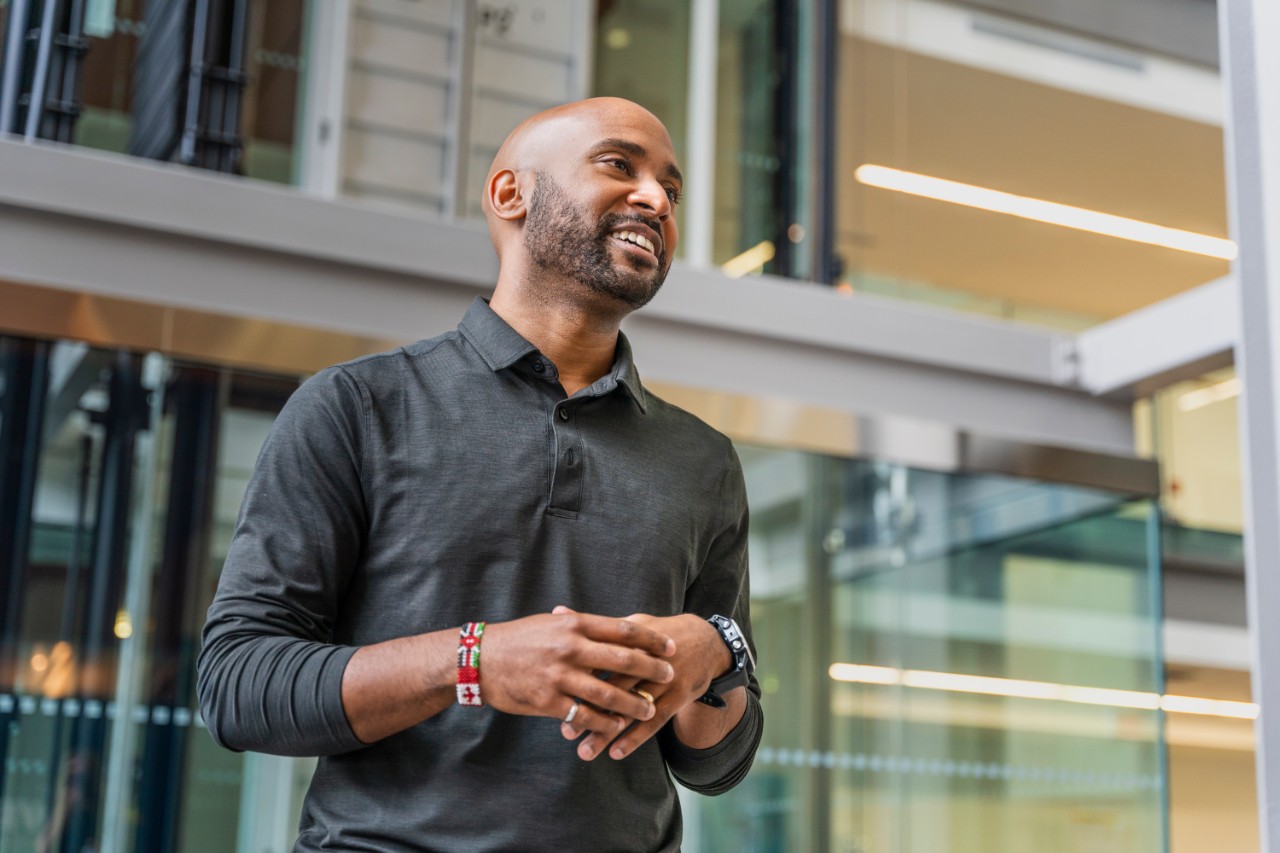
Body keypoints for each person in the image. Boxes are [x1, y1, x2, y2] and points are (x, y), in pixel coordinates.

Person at [197, 97, 762, 852]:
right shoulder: (358, 406)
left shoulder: (704, 459)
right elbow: (239, 686)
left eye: (672, 189)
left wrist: (712, 659)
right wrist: (475, 661)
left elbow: (716, 759)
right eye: (619, 165)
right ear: (510, 194)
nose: (656, 199)